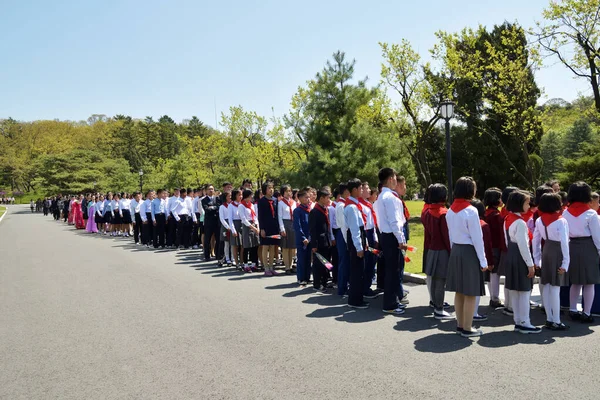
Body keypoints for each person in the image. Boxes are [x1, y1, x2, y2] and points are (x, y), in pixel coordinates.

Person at [445, 177, 488, 338]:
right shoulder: (471, 211)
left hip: (456, 250)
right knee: (470, 291)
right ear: (470, 190)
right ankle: (468, 327)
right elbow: (477, 238)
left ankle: (460, 324)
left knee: (460, 291)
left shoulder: (450, 210)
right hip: (469, 252)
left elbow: (450, 235)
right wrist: (483, 260)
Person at [503, 190, 541, 334]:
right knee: (524, 292)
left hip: (511, 256)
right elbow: (524, 246)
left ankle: (518, 320)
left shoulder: (507, 218)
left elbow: (507, 241)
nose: (528, 204)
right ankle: (525, 321)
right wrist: (530, 264)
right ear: (520, 204)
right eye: (526, 202)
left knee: (515, 290)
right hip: (520, 258)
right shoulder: (520, 222)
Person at [563, 181, 600, 323]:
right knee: (589, 282)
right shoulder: (591, 214)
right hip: (588, 246)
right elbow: (597, 237)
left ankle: (573, 310)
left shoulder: (565, 212)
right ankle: (587, 312)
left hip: (571, 246)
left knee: (575, 281)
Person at [533, 192, 570, 330]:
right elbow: (565, 243)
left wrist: (537, 259)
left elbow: (535, 240)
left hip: (546, 250)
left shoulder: (539, 220)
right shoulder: (561, 220)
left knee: (547, 286)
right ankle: (557, 320)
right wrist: (566, 262)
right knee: (555, 288)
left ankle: (549, 318)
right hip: (558, 251)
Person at [376, 169, 407, 315]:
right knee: (393, 271)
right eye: (394, 177)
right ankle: (390, 304)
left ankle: (393, 300)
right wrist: (401, 239)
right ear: (390, 179)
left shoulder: (381, 196)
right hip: (392, 236)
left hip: (385, 235)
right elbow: (395, 221)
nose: (396, 180)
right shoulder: (391, 197)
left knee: (391, 270)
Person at [423, 184, 453, 320]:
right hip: (442, 250)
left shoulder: (427, 212)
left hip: (432, 249)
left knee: (434, 279)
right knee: (441, 280)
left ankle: (436, 303)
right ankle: (439, 309)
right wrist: (451, 250)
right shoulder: (443, 213)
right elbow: (447, 236)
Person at [345, 178, 370, 310]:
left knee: (359, 270)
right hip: (356, 239)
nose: (362, 190)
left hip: (359, 237)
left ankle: (357, 297)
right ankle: (355, 300)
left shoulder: (355, 205)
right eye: (360, 188)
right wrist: (359, 247)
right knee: (357, 271)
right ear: (354, 190)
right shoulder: (352, 207)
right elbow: (355, 229)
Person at [471, 199, 493, 322]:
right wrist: (489, 261)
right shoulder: (483, 225)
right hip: (479, 258)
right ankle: (474, 312)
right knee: (477, 287)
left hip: (467, 256)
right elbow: (487, 245)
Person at [483, 187, 505, 309]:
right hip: (495, 246)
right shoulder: (496, 215)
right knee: (495, 273)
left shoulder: (486, 213)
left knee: (491, 273)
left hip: (488, 245)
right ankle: (495, 298)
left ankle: (493, 296)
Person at [309, 187, 333, 292]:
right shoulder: (315, 211)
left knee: (326, 262)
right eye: (327, 198)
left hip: (326, 240)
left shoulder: (325, 209)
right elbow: (312, 230)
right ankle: (317, 284)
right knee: (318, 263)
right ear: (322, 198)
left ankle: (324, 282)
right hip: (318, 241)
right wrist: (314, 244)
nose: (329, 200)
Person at [359, 181, 379, 299]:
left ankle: (368, 286)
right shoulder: (360, 205)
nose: (368, 191)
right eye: (365, 189)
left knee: (372, 261)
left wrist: (375, 236)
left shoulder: (367, 203)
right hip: (366, 234)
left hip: (371, 233)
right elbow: (364, 224)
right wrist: (366, 240)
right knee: (367, 262)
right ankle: (365, 288)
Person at [257, 181, 279, 276]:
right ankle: (266, 267)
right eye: (269, 188)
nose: (271, 190)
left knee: (273, 247)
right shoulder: (261, 201)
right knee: (265, 247)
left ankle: (271, 266)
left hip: (274, 226)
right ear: (265, 190)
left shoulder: (275, 200)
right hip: (265, 227)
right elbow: (260, 216)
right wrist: (262, 228)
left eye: (272, 188)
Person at [293, 189, 311, 285]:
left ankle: (307, 277)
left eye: (308, 197)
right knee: (301, 258)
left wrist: (310, 237)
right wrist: (303, 237)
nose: (308, 199)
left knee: (308, 258)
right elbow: (297, 226)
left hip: (309, 238)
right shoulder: (297, 211)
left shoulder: (309, 210)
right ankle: (301, 278)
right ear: (300, 198)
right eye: (306, 197)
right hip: (302, 239)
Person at [335, 182, 350, 296]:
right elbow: (343, 225)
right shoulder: (340, 206)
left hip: (344, 234)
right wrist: (347, 241)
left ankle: (345, 285)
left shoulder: (345, 204)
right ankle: (342, 288)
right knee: (344, 262)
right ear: (345, 192)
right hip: (342, 234)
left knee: (346, 262)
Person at [278, 184, 296, 274]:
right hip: (285, 223)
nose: (288, 193)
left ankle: (291, 264)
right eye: (286, 191)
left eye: (290, 191)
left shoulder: (294, 202)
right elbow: (280, 217)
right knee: (285, 247)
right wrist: (282, 228)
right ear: (283, 193)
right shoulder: (281, 203)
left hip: (293, 224)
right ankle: (287, 266)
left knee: (292, 247)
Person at [240, 189, 260, 272]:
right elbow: (244, 219)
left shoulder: (251, 205)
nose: (252, 197)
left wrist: (257, 226)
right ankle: (245, 264)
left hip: (254, 225)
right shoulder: (241, 206)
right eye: (250, 195)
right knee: (247, 246)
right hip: (247, 226)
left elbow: (255, 216)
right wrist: (253, 227)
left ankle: (253, 264)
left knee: (255, 245)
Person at [202, 185, 220, 261]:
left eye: (212, 189)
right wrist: (214, 207)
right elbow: (206, 209)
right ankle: (207, 255)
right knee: (207, 240)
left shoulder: (217, 198)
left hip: (216, 222)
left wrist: (212, 207)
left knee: (218, 240)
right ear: (206, 191)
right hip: (208, 222)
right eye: (209, 189)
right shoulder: (203, 200)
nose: (211, 190)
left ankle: (218, 255)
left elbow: (219, 207)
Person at [229, 189, 243, 268]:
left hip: (242, 224)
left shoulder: (242, 204)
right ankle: (237, 262)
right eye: (239, 195)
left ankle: (242, 261)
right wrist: (233, 229)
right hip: (235, 224)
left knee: (242, 245)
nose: (241, 197)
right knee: (235, 245)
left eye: (241, 195)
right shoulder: (231, 205)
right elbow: (230, 219)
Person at [218, 191, 232, 266]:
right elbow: (222, 219)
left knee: (233, 244)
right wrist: (227, 227)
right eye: (228, 196)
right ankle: (227, 259)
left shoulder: (233, 205)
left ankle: (233, 258)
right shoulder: (222, 207)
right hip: (225, 226)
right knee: (226, 244)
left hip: (232, 224)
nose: (230, 197)